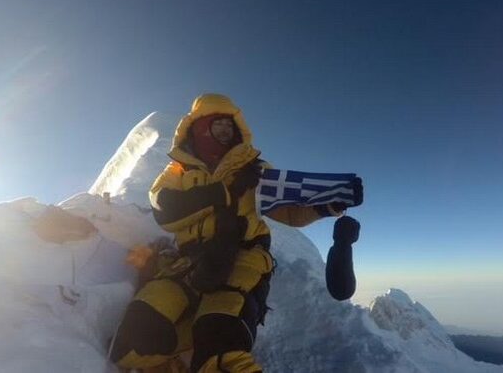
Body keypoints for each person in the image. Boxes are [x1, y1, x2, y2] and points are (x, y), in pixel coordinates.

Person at [110, 93, 362, 372]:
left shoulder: (255, 171)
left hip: (243, 260)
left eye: (230, 127)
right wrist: (224, 192)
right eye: (218, 125)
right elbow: (165, 210)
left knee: (221, 350)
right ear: (199, 127)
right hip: (187, 264)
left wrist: (328, 205)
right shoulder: (176, 172)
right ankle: (192, 340)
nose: (225, 132)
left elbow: (289, 211)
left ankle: (205, 341)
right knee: (130, 346)